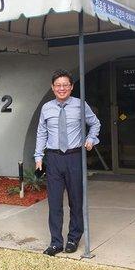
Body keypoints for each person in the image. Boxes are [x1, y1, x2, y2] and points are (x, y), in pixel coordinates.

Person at [35, 69, 101, 256]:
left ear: (71, 87)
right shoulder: (46, 108)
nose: (61, 88)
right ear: (52, 87)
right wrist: (38, 156)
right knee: (54, 203)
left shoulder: (80, 105)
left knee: (76, 201)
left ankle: (73, 238)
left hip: (74, 157)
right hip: (53, 158)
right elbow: (41, 133)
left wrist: (91, 139)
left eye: (65, 85)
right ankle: (56, 242)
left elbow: (95, 123)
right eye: (58, 85)